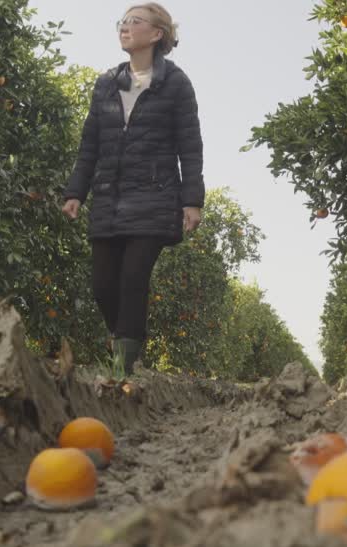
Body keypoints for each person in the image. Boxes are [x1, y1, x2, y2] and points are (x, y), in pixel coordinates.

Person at [61, 2, 205, 375]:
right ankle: (125, 345)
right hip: (109, 198)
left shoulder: (175, 84)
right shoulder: (107, 83)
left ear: (157, 34)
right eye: (122, 22)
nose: (124, 27)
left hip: (155, 197)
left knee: (133, 279)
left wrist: (192, 200)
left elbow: (190, 146)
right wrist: (75, 192)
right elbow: (89, 144)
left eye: (134, 22)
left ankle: (122, 368)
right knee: (102, 286)